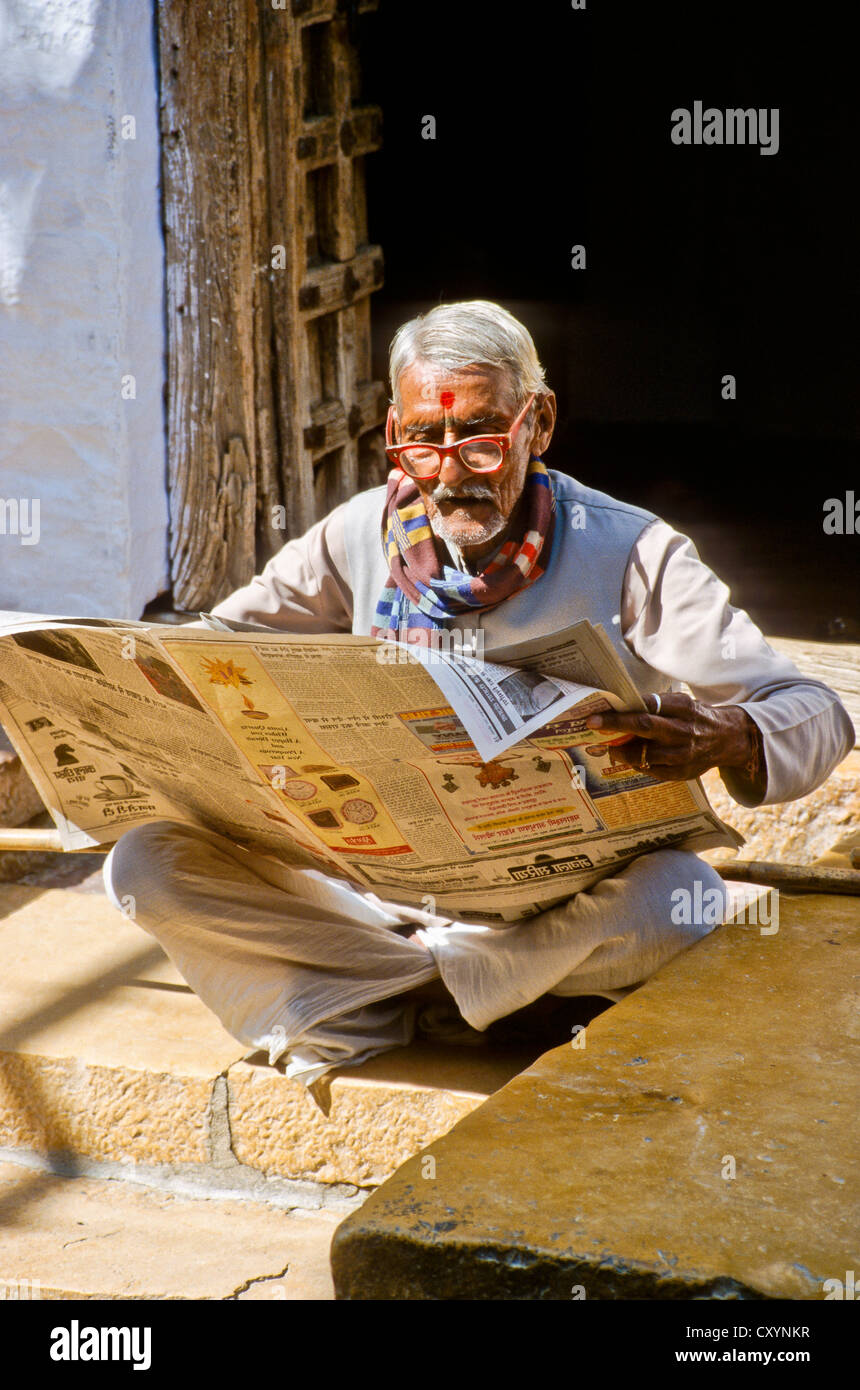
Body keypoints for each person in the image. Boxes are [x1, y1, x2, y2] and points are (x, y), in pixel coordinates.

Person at [103, 301, 855, 1085]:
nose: (452, 471)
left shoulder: (630, 551)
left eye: (483, 436)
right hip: (379, 907)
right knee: (145, 866)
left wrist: (731, 733)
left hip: (564, 912)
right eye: (424, 441)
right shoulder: (358, 534)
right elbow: (210, 652)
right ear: (395, 428)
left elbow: (813, 708)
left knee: (682, 898)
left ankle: (384, 1003)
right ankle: (477, 998)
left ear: (541, 423)